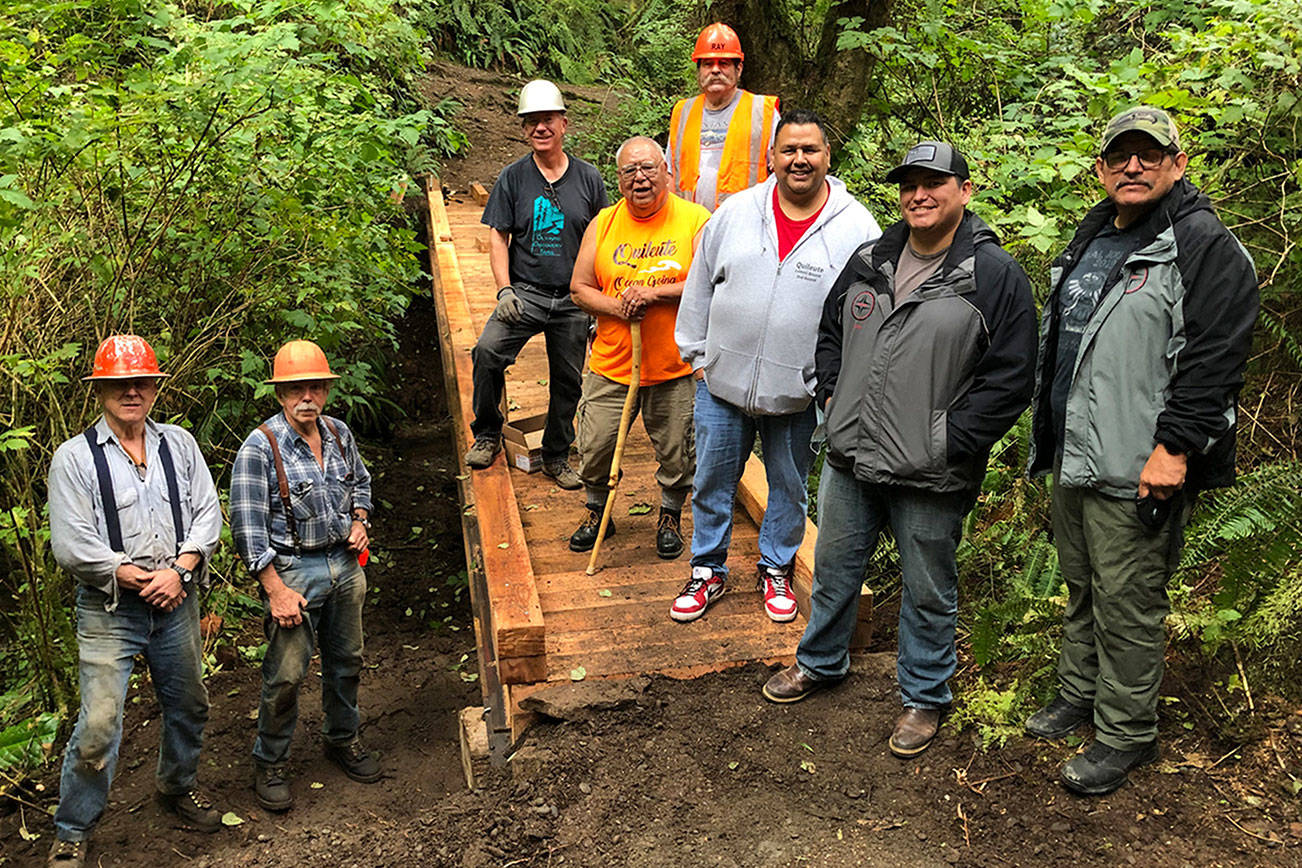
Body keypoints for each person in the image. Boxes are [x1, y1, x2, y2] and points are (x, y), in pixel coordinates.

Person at [761, 142, 1038, 762]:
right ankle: (821, 663)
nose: (919, 194)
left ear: (963, 191)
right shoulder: (871, 260)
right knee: (832, 572)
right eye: (909, 183)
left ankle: (924, 696)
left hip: (932, 470)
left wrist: (949, 439)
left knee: (928, 587)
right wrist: (830, 394)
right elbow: (830, 333)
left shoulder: (993, 277)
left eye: (934, 182)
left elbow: (1012, 378)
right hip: (851, 456)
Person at [1023, 106, 1258, 795]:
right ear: (1100, 169)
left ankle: (1126, 732)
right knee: (1081, 583)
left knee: (1128, 598)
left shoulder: (1202, 244)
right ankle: (1079, 692)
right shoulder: (1095, 235)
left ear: (1177, 164)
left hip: (1139, 460)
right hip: (1076, 451)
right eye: (1119, 156)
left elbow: (1215, 360)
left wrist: (1176, 448)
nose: (1133, 166)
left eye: (1148, 155)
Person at [672, 109, 881, 623]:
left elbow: (865, 313)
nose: (799, 160)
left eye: (810, 150)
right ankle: (707, 570)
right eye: (789, 150)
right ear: (772, 157)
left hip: (799, 391)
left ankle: (776, 568)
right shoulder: (736, 212)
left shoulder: (857, 226)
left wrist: (830, 384)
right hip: (720, 384)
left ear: (828, 156)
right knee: (712, 479)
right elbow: (699, 283)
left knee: (788, 483)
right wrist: (697, 357)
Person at [46, 335, 224, 867]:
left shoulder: (180, 445)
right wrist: (137, 577)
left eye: (140, 381)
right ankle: (73, 829)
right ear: (100, 389)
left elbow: (207, 514)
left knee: (189, 704)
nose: (131, 391)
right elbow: (73, 544)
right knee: (99, 724)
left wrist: (182, 569)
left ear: (154, 387)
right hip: (110, 612)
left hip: (177, 603)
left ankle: (176, 787)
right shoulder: (74, 459)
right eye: (119, 383)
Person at [230, 340, 377, 812]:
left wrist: (359, 519)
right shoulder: (260, 447)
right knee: (287, 675)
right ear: (280, 394)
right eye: (297, 389)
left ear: (326, 390)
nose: (307, 397)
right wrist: (275, 590)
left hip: (344, 565)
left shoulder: (337, 433)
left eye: (315, 386)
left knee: (347, 660)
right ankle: (270, 761)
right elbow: (248, 528)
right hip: (294, 570)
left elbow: (361, 483)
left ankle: (342, 738)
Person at [568, 136, 711, 558]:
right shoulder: (604, 223)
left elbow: (705, 284)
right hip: (612, 363)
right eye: (630, 171)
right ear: (619, 179)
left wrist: (653, 295)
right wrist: (618, 305)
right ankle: (597, 509)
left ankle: (670, 512)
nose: (640, 178)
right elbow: (578, 287)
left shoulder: (695, 219)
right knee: (593, 445)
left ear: (667, 171)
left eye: (648, 168)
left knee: (677, 451)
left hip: (673, 365)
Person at [464, 79, 609, 489]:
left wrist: (598, 302)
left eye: (547, 120)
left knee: (569, 380)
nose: (540, 129)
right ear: (524, 129)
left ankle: (558, 453)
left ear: (564, 124)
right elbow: (498, 235)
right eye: (531, 123)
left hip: (572, 298)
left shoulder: (588, 178)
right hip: (525, 291)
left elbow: (602, 237)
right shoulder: (513, 178)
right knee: (487, 352)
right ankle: (489, 431)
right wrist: (504, 289)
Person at [667, 22, 779, 212]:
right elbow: (670, 174)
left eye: (724, 63)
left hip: (746, 223)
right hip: (692, 226)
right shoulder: (683, 111)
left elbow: (781, 173)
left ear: (739, 68)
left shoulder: (763, 111)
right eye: (708, 64)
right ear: (699, 70)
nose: (715, 70)